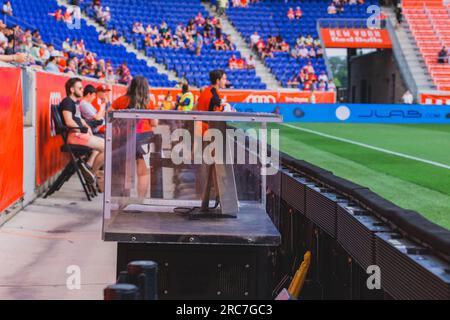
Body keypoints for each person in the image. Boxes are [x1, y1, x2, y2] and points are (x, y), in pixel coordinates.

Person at [110, 76, 157, 199]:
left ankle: (121, 199)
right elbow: (154, 123)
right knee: (143, 173)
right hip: (144, 137)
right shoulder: (149, 103)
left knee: (124, 171)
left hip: (125, 137)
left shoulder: (121, 100)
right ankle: (140, 201)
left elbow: (109, 115)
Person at [60, 78, 105, 185]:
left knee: (104, 145)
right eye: (80, 88)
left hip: (79, 134)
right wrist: (82, 130)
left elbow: (78, 118)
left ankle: (90, 173)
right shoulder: (67, 101)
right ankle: (91, 174)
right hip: (75, 136)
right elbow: (69, 121)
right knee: (106, 147)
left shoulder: (74, 102)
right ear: (72, 89)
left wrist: (86, 126)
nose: (82, 90)